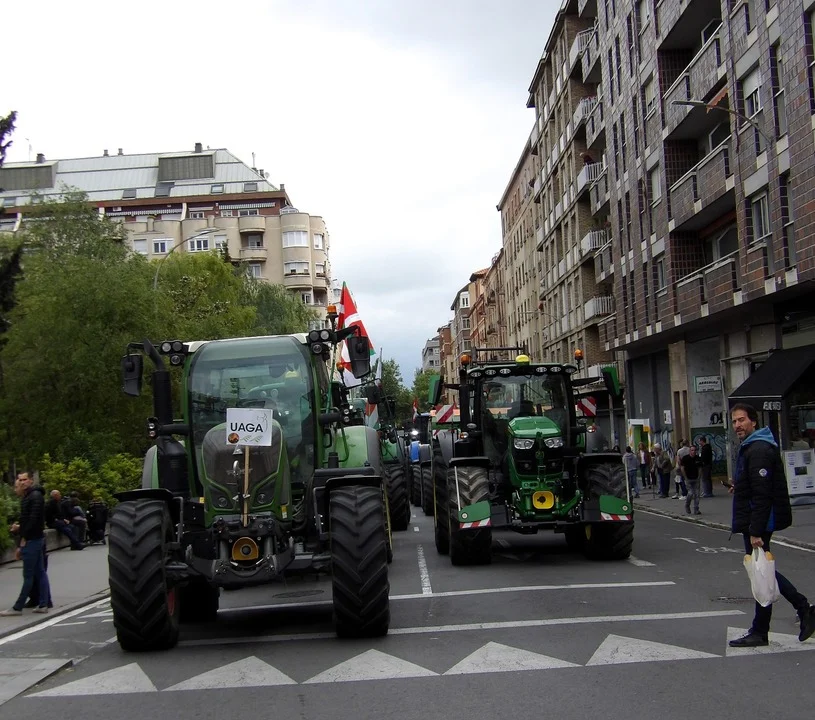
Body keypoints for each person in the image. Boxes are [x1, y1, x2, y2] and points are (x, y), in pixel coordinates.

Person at [728, 403, 815, 648]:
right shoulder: (754, 446)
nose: (737, 425)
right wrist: (740, 486)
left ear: (753, 421)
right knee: (762, 572)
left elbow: (763, 494)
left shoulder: (758, 449)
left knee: (762, 572)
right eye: (734, 421)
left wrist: (755, 530)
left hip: (760, 521)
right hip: (757, 518)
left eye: (742, 420)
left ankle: (797, 611)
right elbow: (757, 486)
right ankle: (788, 616)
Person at [0, 472, 51, 616]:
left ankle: (18, 607)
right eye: (20, 480)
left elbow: (33, 520)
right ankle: (43, 604)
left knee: (28, 575)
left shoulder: (34, 497)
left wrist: (23, 539)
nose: (22, 482)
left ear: (31, 481)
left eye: (25, 479)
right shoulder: (31, 496)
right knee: (40, 572)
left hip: (32, 540)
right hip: (36, 538)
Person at [679, 444, 702, 515]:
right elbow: (682, 468)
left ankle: (696, 509)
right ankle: (687, 505)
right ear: (689, 451)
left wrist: (699, 477)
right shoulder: (685, 458)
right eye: (692, 450)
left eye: (694, 450)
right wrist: (685, 477)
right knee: (690, 493)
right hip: (688, 478)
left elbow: (700, 468)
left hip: (696, 478)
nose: (693, 452)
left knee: (697, 494)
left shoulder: (698, 458)